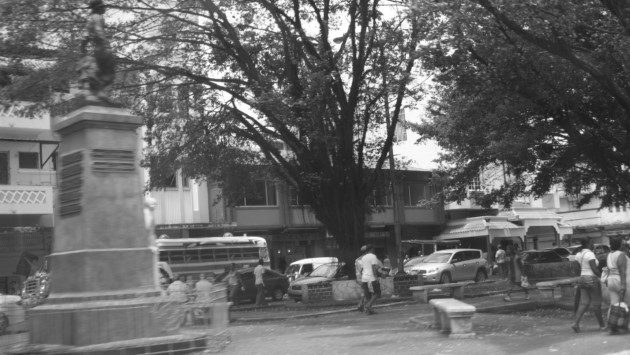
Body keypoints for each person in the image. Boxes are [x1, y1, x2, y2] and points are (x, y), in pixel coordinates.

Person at [79, 0, 116, 100]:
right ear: (99, 7)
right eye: (103, 6)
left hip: (96, 49)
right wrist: (105, 43)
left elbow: (85, 36)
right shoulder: (98, 17)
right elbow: (99, 30)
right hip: (103, 47)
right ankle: (102, 93)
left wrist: (83, 49)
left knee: (99, 71)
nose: (105, 8)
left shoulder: (90, 19)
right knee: (110, 71)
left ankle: (96, 93)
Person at [572, 238, 606, 333]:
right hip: (591, 279)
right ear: (587, 243)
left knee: (584, 303)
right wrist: (603, 277)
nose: (593, 245)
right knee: (596, 304)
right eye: (592, 243)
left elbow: (577, 268)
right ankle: (602, 325)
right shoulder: (590, 254)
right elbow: (594, 269)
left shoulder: (578, 254)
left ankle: (575, 323)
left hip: (582, 279)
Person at [605, 238, 628, 334]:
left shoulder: (609, 255)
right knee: (627, 302)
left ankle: (612, 326)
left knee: (613, 304)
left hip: (610, 279)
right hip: (619, 279)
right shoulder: (621, 255)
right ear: (619, 244)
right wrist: (623, 285)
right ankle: (624, 325)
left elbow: (608, 269)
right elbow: (622, 271)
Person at [360, 245, 385, 315]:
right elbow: (373, 267)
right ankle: (368, 305)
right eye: (373, 249)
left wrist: (362, 277)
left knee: (368, 295)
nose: (374, 250)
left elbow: (361, 269)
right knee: (377, 293)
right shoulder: (373, 256)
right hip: (371, 278)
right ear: (371, 249)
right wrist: (376, 277)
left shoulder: (363, 258)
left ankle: (368, 310)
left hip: (364, 278)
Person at [355, 245, 368, 312]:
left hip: (359, 278)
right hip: (365, 277)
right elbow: (362, 270)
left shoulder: (357, 260)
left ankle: (361, 305)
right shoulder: (365, 259)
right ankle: (364, 306)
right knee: (366, 292)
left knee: (364, 292)